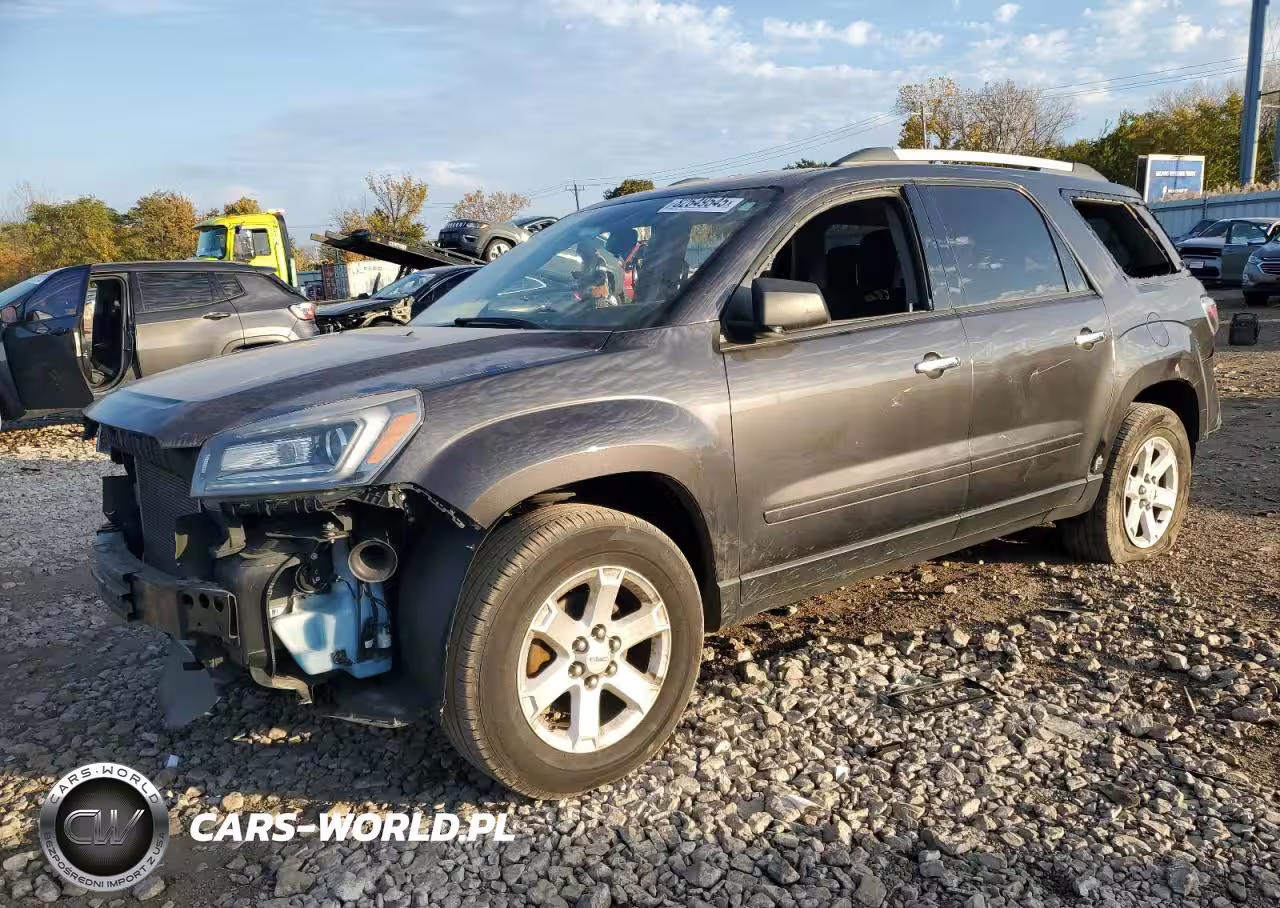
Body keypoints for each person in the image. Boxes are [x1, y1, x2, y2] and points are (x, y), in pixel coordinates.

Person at [573, 234, 626, 307]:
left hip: (598, 298)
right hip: (587, 297)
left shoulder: (599, 261)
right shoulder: (586, 263)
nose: (580, 254)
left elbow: (601, 279)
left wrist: (582, 276)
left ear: (589, 250)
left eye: (581, 251)